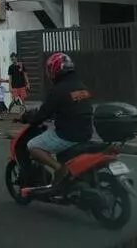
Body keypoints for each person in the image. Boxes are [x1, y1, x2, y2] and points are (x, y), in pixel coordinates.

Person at [27, 52, 93, 185]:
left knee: (32, 145)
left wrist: (32, 119)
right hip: (86, 133)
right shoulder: (81, 86)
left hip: (67, 135)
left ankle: (59, 169)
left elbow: (43, 113)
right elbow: (71, 106)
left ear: (54, 70)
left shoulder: (58, 90)